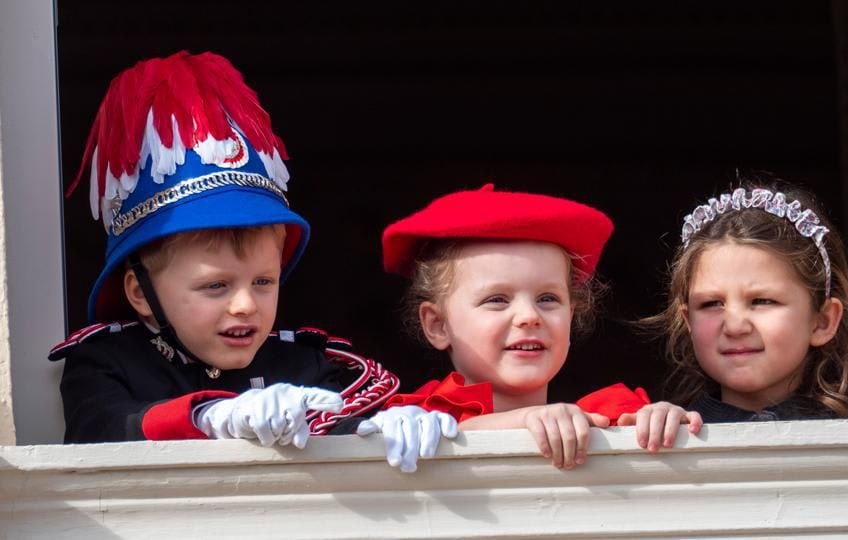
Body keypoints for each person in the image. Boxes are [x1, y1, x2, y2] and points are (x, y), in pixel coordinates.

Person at [48, 51, 455, 473]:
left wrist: (385, 427)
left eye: (263, 282)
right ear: (141, 293)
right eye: (215, 286)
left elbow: (348, 433)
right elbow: (101, 428)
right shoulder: (105, 362)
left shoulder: (302, 365)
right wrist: (208, 417)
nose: (245, 305)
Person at [380, 184, 701, 469]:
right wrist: (523, 421)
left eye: (547, 298)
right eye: (497, 299)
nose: (529, 316)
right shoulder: (411, 421)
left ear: (572, 314)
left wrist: (663, 421)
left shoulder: (611, 415)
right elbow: (444, 435)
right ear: (437, 325)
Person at [647, 182, 848, 423]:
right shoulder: (676, 432)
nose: (735, 327)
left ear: (823, 322)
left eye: (762, 301)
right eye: (712, 303)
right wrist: (661, 435)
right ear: (688, 320)